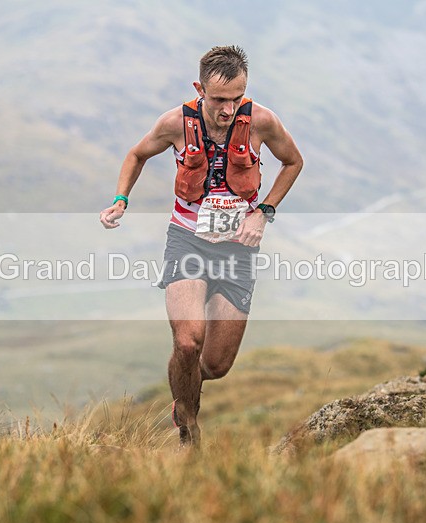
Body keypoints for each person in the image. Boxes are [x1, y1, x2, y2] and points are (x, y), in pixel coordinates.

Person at [99, 45, 303, 447]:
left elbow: (293, 161)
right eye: (219, 99)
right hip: (187, 241)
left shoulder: (262, 121)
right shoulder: (176, 122)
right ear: (200, 89)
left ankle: (186, 379)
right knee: (188, 339)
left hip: (237, 251)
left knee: (215, 363)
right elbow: (137, 154)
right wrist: (121, 199)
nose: (228, 109)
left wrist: (263, 212)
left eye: (236, 98)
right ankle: (189, 426)